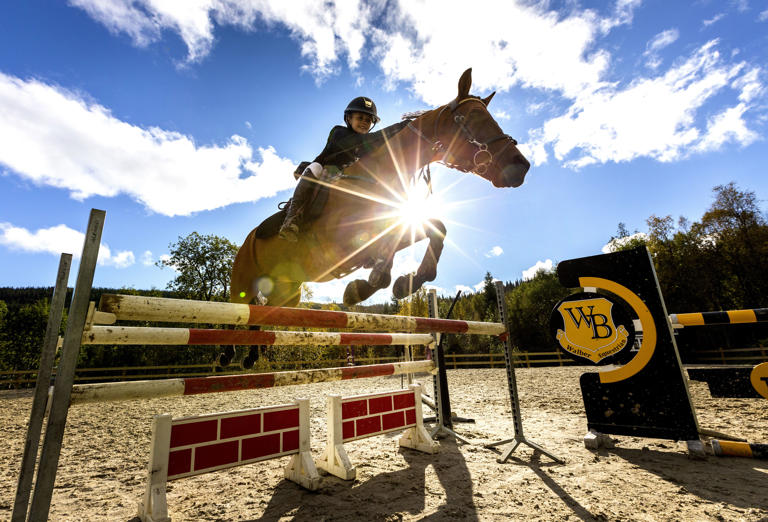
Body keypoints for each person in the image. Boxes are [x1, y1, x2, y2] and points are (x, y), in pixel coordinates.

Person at [278, 96, 383, 242]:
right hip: (324, 170)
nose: (365, 123)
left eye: (368, 120)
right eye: (360, 118)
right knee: (315, 167)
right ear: (349, 119)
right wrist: (401, 126)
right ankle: (291, 219)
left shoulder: (365, 146)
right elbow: (371, 139)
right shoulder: (339, 132)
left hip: (344, 176)